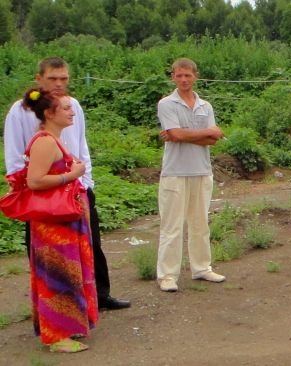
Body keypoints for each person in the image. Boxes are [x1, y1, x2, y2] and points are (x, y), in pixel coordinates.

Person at [3, 57, 130, 310]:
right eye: (52, 79)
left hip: (78, 187)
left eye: (64, 78)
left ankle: (99, 295)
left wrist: (86, 180)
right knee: (45, 249)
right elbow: (16, 155)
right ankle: (49, 301)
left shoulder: (73, 106)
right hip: (43, 190)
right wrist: (27, 188)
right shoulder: (21, 111)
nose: (59, 84)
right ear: (39, 79)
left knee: (89, 242)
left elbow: (81, 146)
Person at [18, 88, 98, 352]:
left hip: (65, 222)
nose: (72, 111)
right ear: (50, 113)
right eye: (65, 108)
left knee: (66, 274)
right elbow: (34, 181)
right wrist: (71, 174)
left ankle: (66, 327)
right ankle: (56, 336)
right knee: (57, 275)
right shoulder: (45, 142)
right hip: (54, 225)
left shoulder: (55, 139)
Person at [156, 58, 226, 292]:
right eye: (179, 75)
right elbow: (177, 134)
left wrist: (183, 134)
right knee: (171, 226)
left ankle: (202, 267)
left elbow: (212, 141)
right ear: (173, 76)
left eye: (187, 75)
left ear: (195, 76)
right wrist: (202, 132)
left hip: (201, 170)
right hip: (175, 172)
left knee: (200, 223)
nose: (183, 80)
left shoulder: (205, 106)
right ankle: (167, 275)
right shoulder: (167, 103)